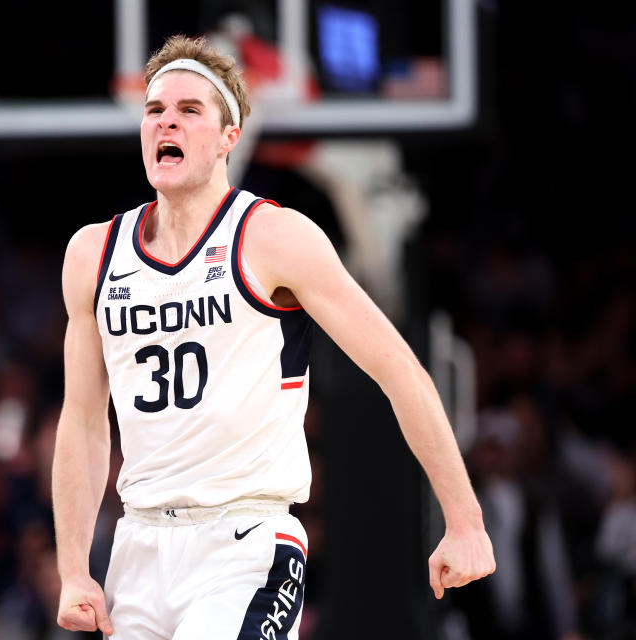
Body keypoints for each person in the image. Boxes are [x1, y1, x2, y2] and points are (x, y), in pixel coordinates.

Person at [52, 35, 495, 639]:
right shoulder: (92, 254)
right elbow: (82, 420)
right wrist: (74, 569)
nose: (166, 123)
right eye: (155, 110)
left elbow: (401, 371)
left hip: (245, 545)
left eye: (189, 110)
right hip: (138, 546)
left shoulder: (273, 238)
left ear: (230, 136)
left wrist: (464, 519)